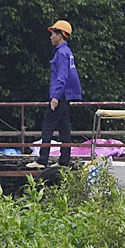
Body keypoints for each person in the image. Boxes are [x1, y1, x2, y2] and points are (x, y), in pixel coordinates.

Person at [38, 19, 82, 167]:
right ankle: (64, 161)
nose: (51, 37)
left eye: (53, 34)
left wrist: (55, 97)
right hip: (66, 94)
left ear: (61, 35)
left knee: (47, 126)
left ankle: (42, 160)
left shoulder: (61, 53)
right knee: (64, 129)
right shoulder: (66, 52)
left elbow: (62, 77)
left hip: (61, 95)